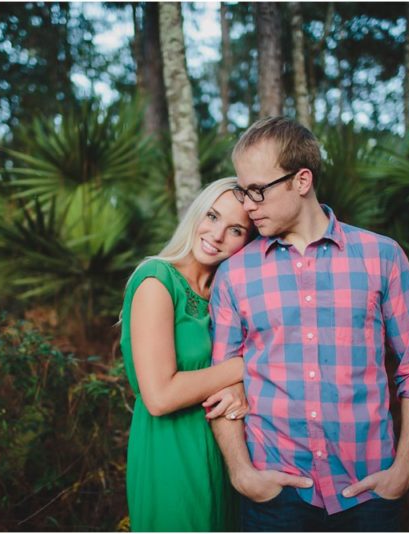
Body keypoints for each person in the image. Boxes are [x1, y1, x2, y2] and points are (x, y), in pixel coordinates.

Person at [208, 117, 409, 532]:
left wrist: (405, 466)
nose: (247, 205)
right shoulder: (235, 273)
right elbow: (223, 384)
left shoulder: (382, 256)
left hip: (369, 492)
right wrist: (242, 472)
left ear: (302, 180)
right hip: (274, 497)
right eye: (244, 192)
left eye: (257, 191)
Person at [121, 177, 290, 532]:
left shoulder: (226, 294)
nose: (216, 235)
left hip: (226, 451)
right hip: (171, 453)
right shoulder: (156, 281)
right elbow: (160, 396)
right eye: (212, 217)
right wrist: (246, 366)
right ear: (196, 214)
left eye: (235, 230)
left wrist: (239, 388)